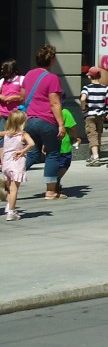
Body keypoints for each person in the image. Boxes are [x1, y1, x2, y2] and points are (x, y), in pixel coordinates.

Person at [21, 45, 69, 200]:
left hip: (29, 120)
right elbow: (55, 103)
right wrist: (61, 124)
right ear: (52, 60)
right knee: (53, 154)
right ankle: (50, 191)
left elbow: (23, 96)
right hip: (47, 120)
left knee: (33, 154)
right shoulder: (52, 78)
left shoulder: (28, 75)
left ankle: (9, 178)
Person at [2, 110, 36, 220]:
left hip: (6, 164)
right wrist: (23, 151)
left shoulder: (7, 133)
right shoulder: (23, 134)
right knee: (14, 189)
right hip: (16, 164)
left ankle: (9, 206)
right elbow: (32, 144)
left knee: (8, 187)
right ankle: (11, 212)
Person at [80, 66, 108, 165]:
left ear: (90, 77)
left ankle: (95, 157)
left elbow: (83, 99)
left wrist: (83, 108)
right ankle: (93, 155)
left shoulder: (87, 88)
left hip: (90, 114)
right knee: (98, 134)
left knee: (92, 135)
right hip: (100, 115)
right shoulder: (105, 88)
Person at [0, 58, 24, 126]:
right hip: (3, 114)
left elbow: (25, 96)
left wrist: (13, 97)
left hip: (16, 114)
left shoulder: (21, 79)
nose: (1, 71)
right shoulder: (2, 81)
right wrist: (2, 97)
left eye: (3, 69)